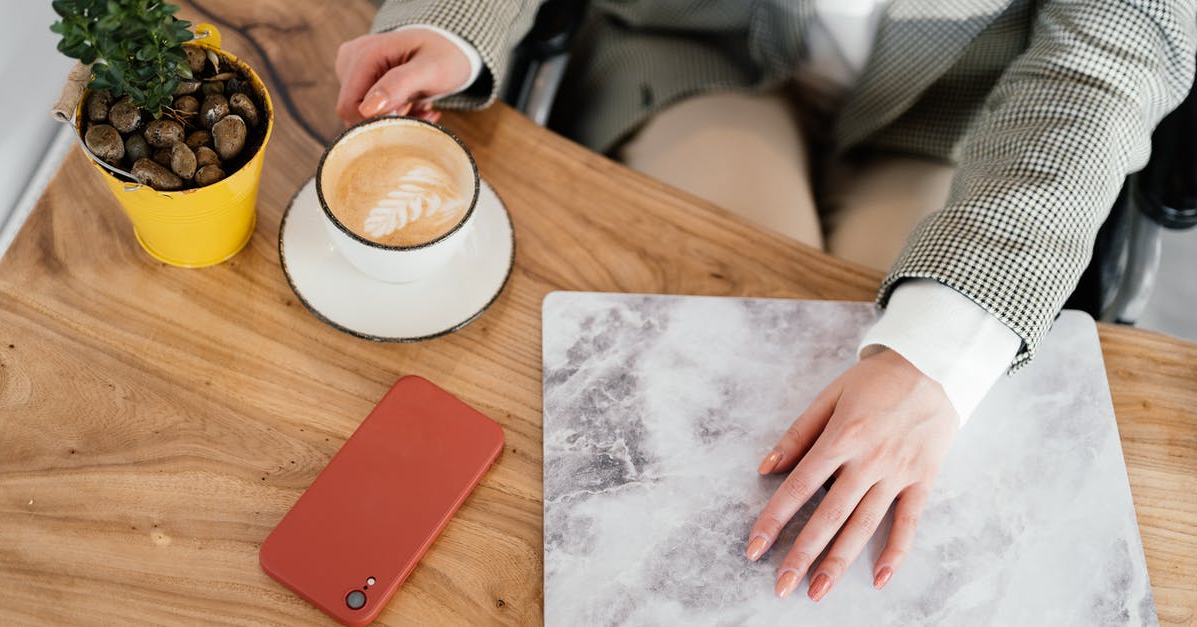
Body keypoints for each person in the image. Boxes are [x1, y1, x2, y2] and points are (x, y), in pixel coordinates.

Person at [335, 0, 1196, 603]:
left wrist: (940, 353)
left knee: (900, 474)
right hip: (702, 53)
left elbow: (1120, 39)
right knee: (740, 401)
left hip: (964, 113)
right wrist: (450, 18)